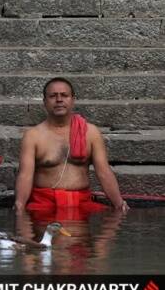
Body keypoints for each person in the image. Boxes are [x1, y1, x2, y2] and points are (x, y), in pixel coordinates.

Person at [14, 77, 129, 215]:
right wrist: (20, 205)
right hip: (44, 205)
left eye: (64, 95)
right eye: (53, 96)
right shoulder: (33, 136)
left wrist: (119, 204)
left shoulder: (91, 133)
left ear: (72, 99)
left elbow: (104, 172)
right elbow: (25, 175)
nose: (59, 100)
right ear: (45, 102)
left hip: (82, 203)